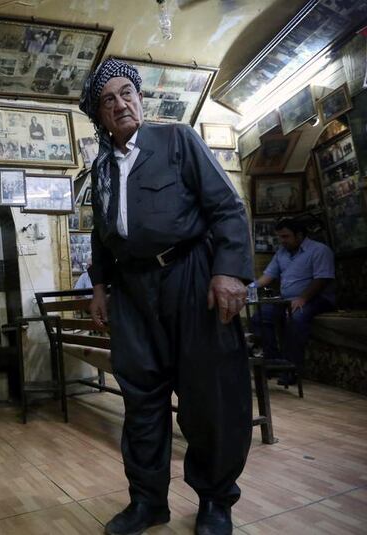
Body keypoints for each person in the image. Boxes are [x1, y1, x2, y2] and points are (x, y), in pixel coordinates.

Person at [79, 58, 253, 535]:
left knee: (209, 398)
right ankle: (147, 501)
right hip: (133, 293)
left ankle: (216, 502)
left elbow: (227, 207)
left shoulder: (177, 140)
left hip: (191, 277)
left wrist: (230, 272)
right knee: (141, 401)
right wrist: (98, 287)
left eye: (126, 93)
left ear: (140, 97)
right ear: (100, 116)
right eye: (108, 100)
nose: (121, 103)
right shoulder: (101, 169)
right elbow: (100, 235)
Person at [249, 218, 335, 385]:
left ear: (300, 235)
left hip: (316, 299)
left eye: (286, 236)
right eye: (280, 237)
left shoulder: (319, 250)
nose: (282, 241)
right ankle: (275, 364)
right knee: (259, 317)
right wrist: (248, 288)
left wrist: (303, 298)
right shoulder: (281, 252)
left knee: (295, 319)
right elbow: (269, 276)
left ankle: (292, 371)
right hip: (286, 300)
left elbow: (322, 279)